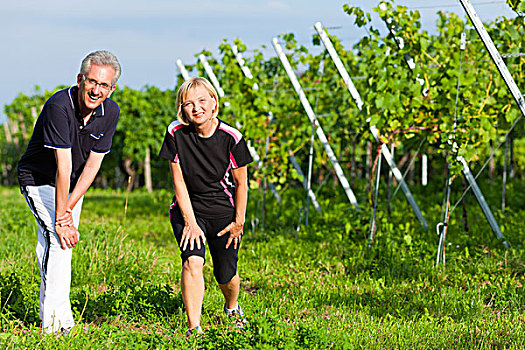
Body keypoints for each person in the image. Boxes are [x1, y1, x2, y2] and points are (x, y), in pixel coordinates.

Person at [17, 50, 121, 334]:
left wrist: (67, 209)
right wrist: (63, 218)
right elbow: (63, 167)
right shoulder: (58, 106)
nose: (96, 90)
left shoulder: (110, 112)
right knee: (57, 238)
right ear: (80, 80)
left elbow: (92, 166)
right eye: (92, 82)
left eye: (104, 85)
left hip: (73, 185)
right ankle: (54, 324)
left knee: (58, 244)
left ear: (112, 89)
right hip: (38, 179)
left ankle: (59, 316)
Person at [159, 77, 253, 336]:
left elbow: (241, 184)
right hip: (188, 209)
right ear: (182, 108)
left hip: (224, 214)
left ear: (213, 102)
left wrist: (239, 222)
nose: (196, 108)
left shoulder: (232, 138)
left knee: (226, 275)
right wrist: (190, 221)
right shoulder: (176, 133)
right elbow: (178, 180)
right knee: (192, 261)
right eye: (188, 103)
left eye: (202, 100)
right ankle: (194, 329)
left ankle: (232, 307)